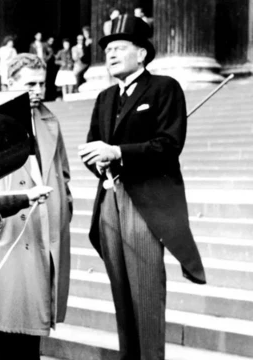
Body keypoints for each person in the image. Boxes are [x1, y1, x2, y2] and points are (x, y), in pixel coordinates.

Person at [77, 15, 205, 360]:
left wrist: (117, 152)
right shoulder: (104, 97)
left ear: (142, 54)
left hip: (144, 203)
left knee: (146, 293)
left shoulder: (164, 88)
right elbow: (93, 146)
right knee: (120, 291)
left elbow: (168, 144)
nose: (112, 54)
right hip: (109, 199)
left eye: (120, 48)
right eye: (108, 50)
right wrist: (97, 159)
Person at [0, 53, 72, 360]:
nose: (37, 90)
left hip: (42, 231)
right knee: (8, 330)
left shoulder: (50, 120)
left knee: (32, 334)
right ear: (10, 83)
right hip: (9, 233)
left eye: (41, 83)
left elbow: (63, 173)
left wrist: (63, 210)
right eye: (29, 84)